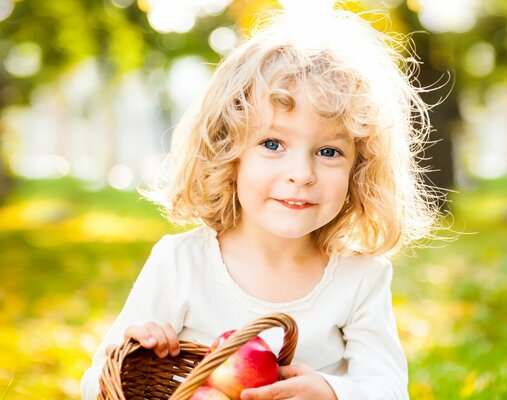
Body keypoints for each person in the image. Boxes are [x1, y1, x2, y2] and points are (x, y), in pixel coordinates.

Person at [81, 7, 440, 400]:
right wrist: (134, 352)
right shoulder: (181, 262)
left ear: (359, 169)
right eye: (273, 144)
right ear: (228, 152)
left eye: (329, 151)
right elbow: (96, 383)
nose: (301, 173)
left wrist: (333, 392)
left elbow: (388, 389)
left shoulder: (360, 278)